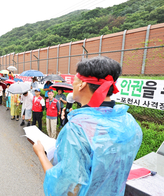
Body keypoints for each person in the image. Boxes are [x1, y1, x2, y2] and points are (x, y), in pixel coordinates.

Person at [33, 56, 143, 196]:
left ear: (82, 85)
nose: (72, 85)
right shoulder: (129, 122)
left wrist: (41, 154)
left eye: (74, 81)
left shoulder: (77, 129)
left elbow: (66, 189)